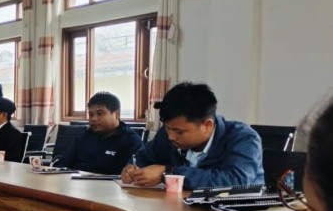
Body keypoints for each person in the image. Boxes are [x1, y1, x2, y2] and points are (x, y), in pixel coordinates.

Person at [121, 82, 264, 190]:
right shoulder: (168, 134)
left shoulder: (243, 138)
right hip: (181, 210)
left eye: (179, 132)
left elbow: (236, 181)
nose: (171, 137)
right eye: (167, 128)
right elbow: (143, 156)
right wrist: (132, 167)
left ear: (207, 125)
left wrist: (168, 173)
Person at [54, 92, 142, 174]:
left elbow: (129, 174)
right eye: (91, 114)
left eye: (100, 114)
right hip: (79, 183)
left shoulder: (131, 141)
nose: (93, 119)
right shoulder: (83, 137)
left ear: (116, 114)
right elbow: (63, 164)